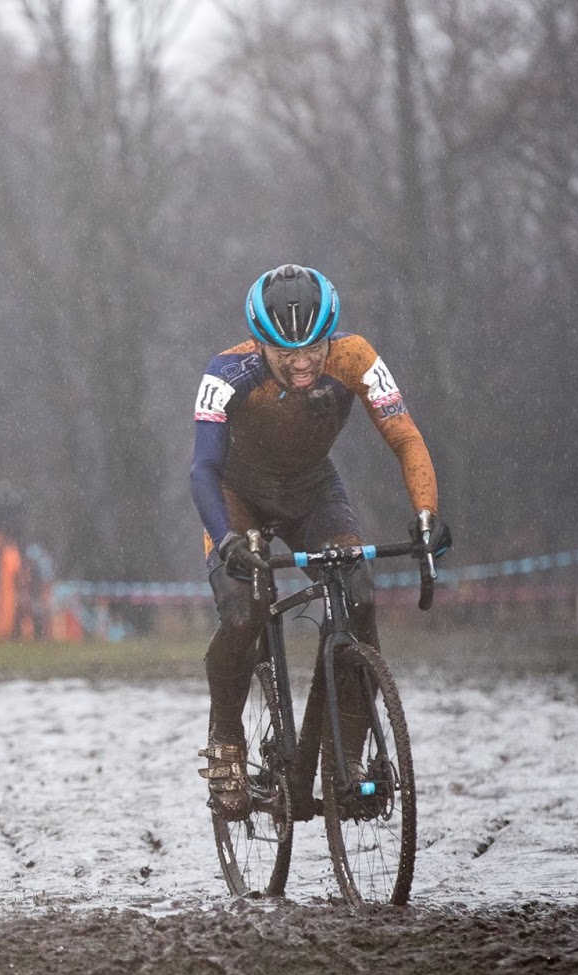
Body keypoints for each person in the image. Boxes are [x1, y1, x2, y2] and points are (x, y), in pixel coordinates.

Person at [189, 264, 449, 819]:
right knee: (245, 610)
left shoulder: (356, 357)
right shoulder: (226, 373)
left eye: (313, 348)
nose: (303, 363)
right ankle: (226, 739)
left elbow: (405, 438)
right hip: (238, 496)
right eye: (286, 353)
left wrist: (426, 515)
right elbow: (203, 469)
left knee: (359, 595)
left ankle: (345, 759)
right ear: (260, 343)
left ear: (331, 335)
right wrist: (226, 538)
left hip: (312, 491)